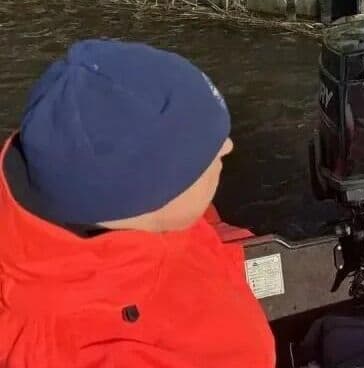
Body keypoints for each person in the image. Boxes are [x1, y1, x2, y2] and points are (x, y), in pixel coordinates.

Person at [0, 40, 275, 368]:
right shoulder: (83, 352)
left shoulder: (138, 211)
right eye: (202, 154)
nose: (227, 147)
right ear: (149, 198)